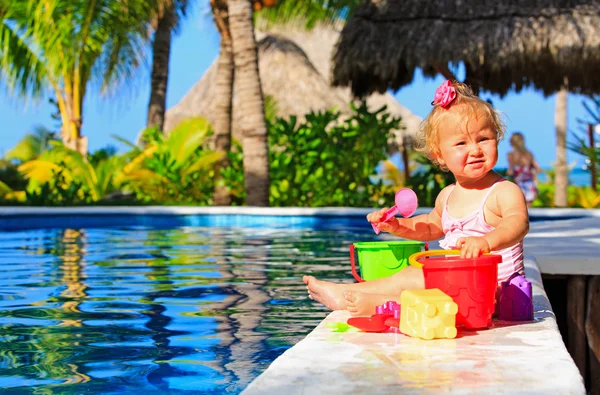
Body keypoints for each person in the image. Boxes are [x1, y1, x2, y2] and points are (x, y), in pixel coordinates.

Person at [303, 80, 530, 316]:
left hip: (496, 291)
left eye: (483, 139)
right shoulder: (448, 196)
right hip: (457, 284)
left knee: (433, 286)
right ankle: (354, 293)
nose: (475, 150)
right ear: (440, 155)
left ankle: (378, 304)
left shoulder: (503, 191)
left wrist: (486, 242)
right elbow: (430, 227)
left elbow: (518, 224)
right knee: (412, 275)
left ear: (497, 137)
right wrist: (396, 225)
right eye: (461, 143)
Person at [507, 132, 542, 207]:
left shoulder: (510, 155)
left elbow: (510, 171)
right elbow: (538, 169)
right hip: (529, 183)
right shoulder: (529, 153)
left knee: (519, 205)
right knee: (529, 206)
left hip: (518, 183)